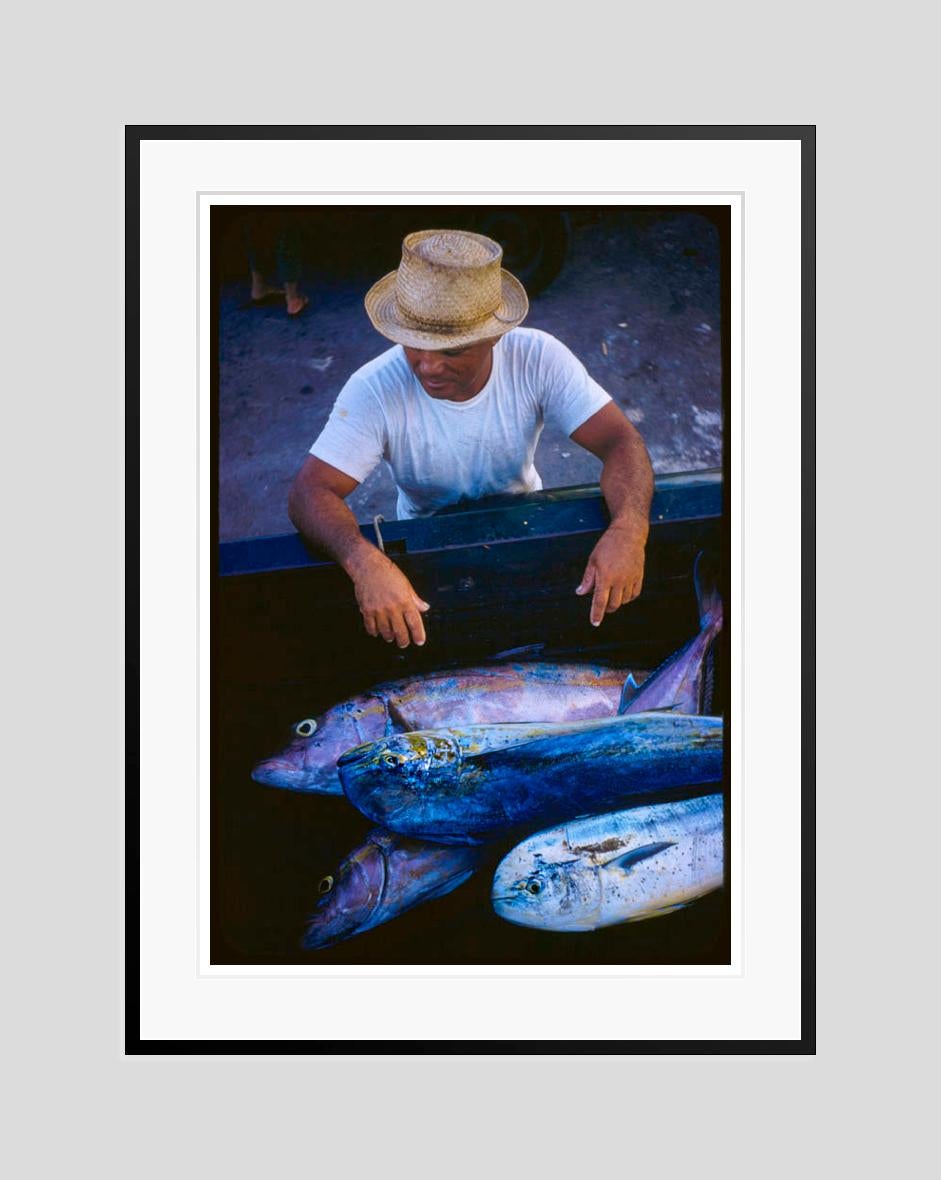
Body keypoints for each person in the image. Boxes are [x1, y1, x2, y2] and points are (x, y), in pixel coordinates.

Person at [288, 228, 653, 649]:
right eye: (413, 345)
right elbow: (310, 491)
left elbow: (620, 442)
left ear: (494, 335)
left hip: (523, 522)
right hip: (426, 541)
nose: (427, 367)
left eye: (451, 351)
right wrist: (362, 559)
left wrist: (630, 529)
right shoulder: (372, 388)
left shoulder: (538, 357)